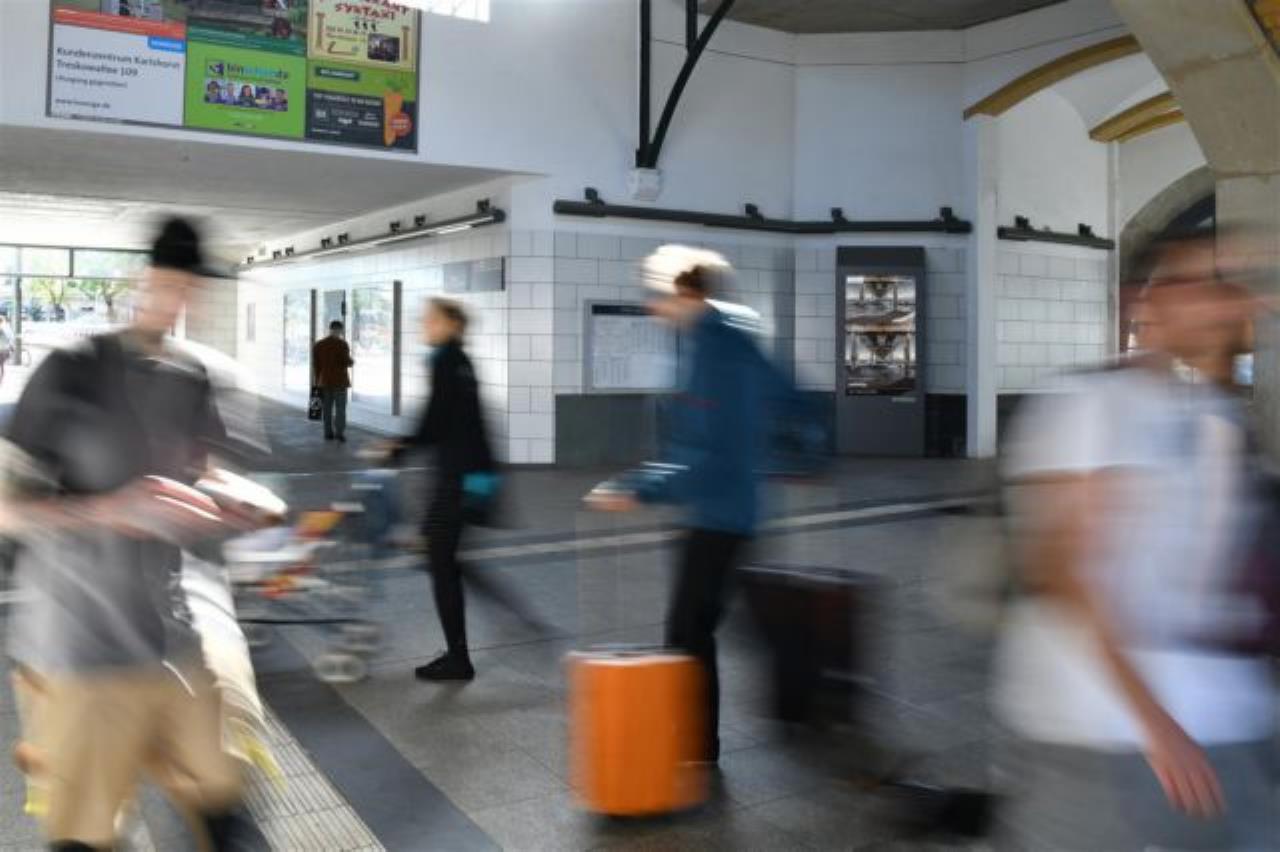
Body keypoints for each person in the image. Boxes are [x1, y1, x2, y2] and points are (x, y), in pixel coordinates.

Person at [994, 228, 1278, 851]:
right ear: (1142, 303)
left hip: (1228, 720)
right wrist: (1157, 724)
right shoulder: (1091, 404)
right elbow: (1065, 570)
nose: (1218, 299)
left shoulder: (1216, 416)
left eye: (1229, 285)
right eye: (1196, 282)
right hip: (1108, 737)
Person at [0, 217, 265, 851]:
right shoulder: (72, 370)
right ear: (140, 281)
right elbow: (7, 509)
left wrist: (236, 500)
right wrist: (105, 511)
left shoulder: (194, 377)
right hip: (82, 648)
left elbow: (205, 474)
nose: (179, 302)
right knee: (87, 833)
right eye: (169, 285)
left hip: (175, 636)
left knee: (226, 807)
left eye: (192, 289)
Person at [586, 245, 793, 764]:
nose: (651, 306)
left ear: (685, 293)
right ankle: (735, 726)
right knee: (707, 626)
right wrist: (643, 481)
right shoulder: (712, 343)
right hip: (719, 510)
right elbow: (707, 439)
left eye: (656, 295)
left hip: (722, 514)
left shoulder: (718, 351)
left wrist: (641, 489)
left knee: (690, 630)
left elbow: (709, 452)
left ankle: (699, 744)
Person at [386, 298, 537, 682]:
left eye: (432, 319)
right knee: (447, 560)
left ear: (452, 324)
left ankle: (459, 658)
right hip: (469, 477)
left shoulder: (446, 361)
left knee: (442, 562)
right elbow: (453, 421)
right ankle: (509, 618)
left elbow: (435, 420)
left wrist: (397, 448)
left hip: (458, 480)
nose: (425, 324)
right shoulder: (460, 361)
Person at [312, 320, 353, 443]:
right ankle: (339, 433)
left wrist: (317, 381)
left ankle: (328, 433)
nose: (340, 333)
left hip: (324, 382)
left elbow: (316, 366)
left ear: (330, 329)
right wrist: (351, 362)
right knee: (340, 409)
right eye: (340, 330)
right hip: (340, 382)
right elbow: (347, 362)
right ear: (339, 330)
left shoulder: (319, 345)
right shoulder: (342, 344)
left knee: (327, 409)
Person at [0, 315, 13, 383]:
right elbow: (11, 338)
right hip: (6, 349)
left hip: (2, 349)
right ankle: (1, 379)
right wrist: (11, 347)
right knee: (2, 365)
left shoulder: (2, 328)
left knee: (1, 365)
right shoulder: (7, 328)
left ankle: (1, 379)